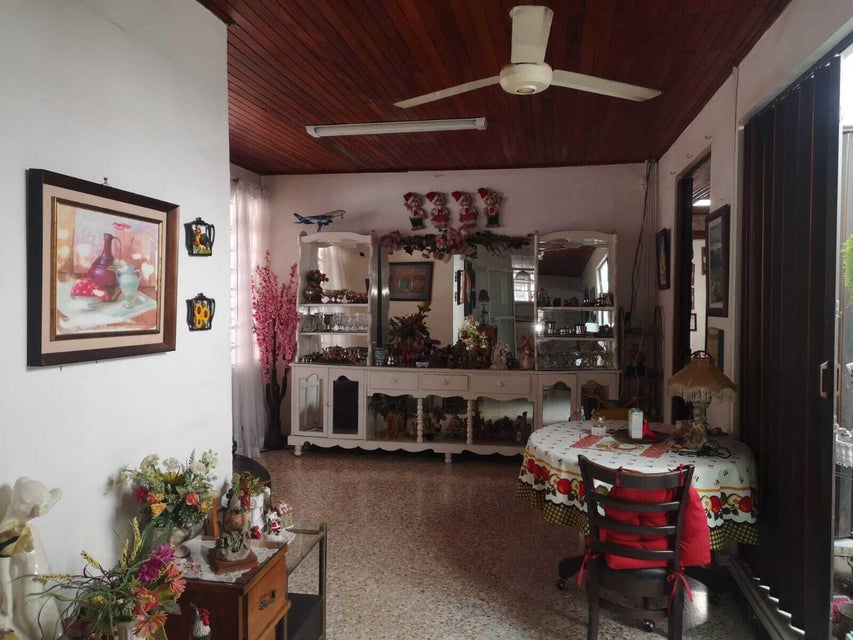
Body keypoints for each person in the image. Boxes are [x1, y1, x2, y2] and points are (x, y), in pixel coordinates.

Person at [0, 478, 61, 640]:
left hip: (45, 588)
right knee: (38, 634)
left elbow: (58, 493)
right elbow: (4, 575)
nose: (38, 513)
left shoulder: (28, 525)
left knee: (57, 633)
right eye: (36, 509)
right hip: (30, 593)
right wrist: (8, 608)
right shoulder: (7, 533)